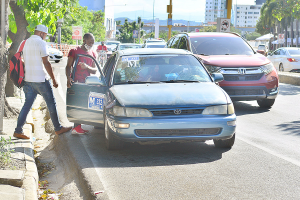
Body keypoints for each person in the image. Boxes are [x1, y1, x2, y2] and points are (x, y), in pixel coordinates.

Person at [14, 25, 72, 139]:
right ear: (41, 33)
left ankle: (18, 130)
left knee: (27, 105)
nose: (45, 37)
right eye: (45, 35)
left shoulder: (24, 42)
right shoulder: (41, 43)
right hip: (40, 80)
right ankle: (58, 128)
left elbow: (18, 58)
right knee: (51, 103)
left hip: (27, 80)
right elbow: (46, 63)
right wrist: (54, 79)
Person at [66, 33, 97, 134]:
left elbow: (94, 70)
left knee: (83, 104)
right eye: (89, 42)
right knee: (77, 104)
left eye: (93, 42)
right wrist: (68, 78)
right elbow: (68, 66)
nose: (91, 44)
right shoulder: (74, 51)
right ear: (84, 41)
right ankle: (76, 127)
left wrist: (87, 67)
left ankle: (78, 127)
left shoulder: (93, 53)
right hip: (76, 82)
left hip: (87, 83)